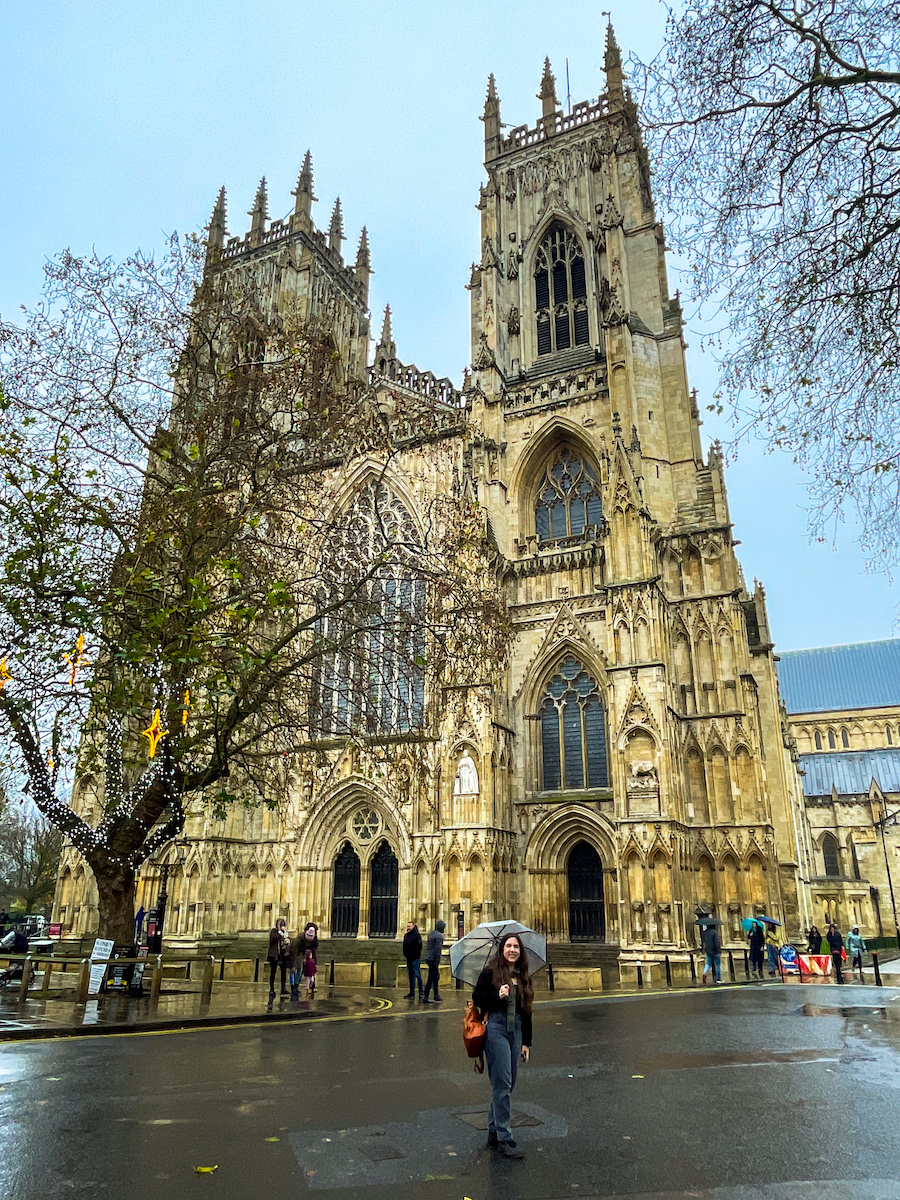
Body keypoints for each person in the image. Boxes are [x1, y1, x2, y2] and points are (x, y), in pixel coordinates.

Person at [473, 933, 533, 1160]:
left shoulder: (523, 976)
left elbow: (527, 1011)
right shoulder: (491, 972)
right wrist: (497, 995)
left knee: (507, 1084)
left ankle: (493, 1130)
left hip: (515, 1030)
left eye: (516, 946)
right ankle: (504, 1137)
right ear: (502, 950)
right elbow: (478, 998)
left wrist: (527, 1042)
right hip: (496, 1029)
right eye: (508, 946)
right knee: (503, 1082)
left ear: (520, 951)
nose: (512, 950)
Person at [291, 922, 318, 999]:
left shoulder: (312, 938)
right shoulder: (299, 939)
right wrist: (294, 963)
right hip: (296, 955)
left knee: (302, 971)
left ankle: (297, 987)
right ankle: (294, 988)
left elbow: (315, 946)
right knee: (295, 970)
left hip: (304, 955)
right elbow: (294, 950)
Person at [422, 919, 446, 1003]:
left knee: (435, 977)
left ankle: (436, 995)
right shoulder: (439, 936)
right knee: (431, 978)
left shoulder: (431, 934)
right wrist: (437, 961)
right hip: (433, 959)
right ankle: (426, 996)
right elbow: (437, 950)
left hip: (429, 958)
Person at [267, 917, 291, 999]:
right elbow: (274, 938)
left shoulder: (284, 933)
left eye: (283, 925)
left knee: (283, 972)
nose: (282, 926)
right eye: (281, 924)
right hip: (274, 955)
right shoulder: (274, 931)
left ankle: (283, 988)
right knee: (273, 972)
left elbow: (285, 940)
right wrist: (281, 933)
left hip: (282, 955)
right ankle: (271, 989)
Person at [402, 921, 423, 999]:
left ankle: (421, 992)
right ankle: (412, 992)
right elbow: (404, 946)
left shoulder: (417, 935)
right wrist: (406, 954)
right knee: (411, 976)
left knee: (417, 974)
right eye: (407, 926)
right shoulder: (406, 935)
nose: (408, 927)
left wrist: (415, 955)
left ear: (413, 926)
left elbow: (419, 947)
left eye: (410, 926)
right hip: (409, 958)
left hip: (415, 958)